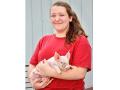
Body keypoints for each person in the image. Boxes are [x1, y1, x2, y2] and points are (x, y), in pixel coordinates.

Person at [28, 1, 91, 90]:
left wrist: (49, 72)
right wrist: (34, 83)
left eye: (61, 15)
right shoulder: (44, 40)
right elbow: (32, 65)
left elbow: (80, 73)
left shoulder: (80, 40)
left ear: (70, 18)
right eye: (53, 15)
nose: (57, 19)